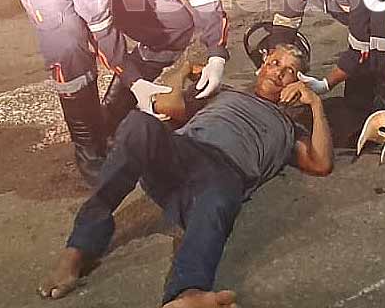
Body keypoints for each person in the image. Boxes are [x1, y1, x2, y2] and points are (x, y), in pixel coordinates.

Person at [37, 43, 333, 307]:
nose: (279, 73)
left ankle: (188, 293)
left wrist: (316, 105)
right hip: (183, 152)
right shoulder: (220, 92)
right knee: (139, 123)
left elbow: (320, 163)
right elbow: (166, 106)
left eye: (290, 71)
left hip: (224, 175)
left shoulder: (289, 126)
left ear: (297, 83)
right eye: (275, 63)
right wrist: (183, 71)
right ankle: (79, 247)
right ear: (262, 66)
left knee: (219, 197)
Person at [10, 0, 228, 183]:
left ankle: (112, 115)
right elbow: (100, 29)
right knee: (70, 49)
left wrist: (217, 54)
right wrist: (134, 80)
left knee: (176, 24)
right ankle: (90, 151)